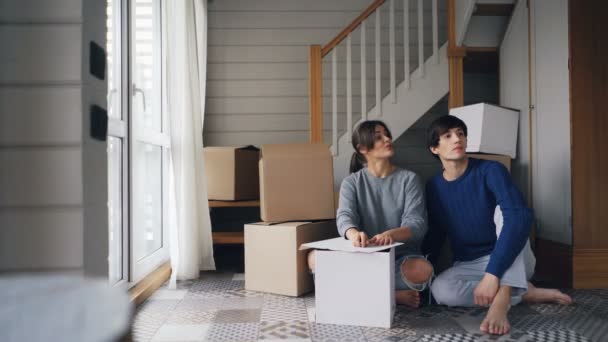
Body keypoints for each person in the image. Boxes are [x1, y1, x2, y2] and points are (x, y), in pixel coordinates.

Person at [423, 115, 573, 335]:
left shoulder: (491, 170)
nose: (457, 139)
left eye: (461, 133)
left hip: (514, 256)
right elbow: (436, 231)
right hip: (471, 263)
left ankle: (503, 297)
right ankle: (523, 292)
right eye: (448, 135)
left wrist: (493, 274)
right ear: (434, 148)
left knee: (508, 212)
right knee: (441, 291)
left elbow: (520, 218)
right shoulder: (434, 186)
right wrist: (422, 268)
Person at [307, 120, 434, 308]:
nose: (387, 139)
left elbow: (417, 224)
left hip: (399, 258)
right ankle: (390, 296)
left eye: (387, 134)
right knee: (313, 258)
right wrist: (353, 234)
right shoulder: (351, 182)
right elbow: (345, 217)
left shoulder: (409, 179)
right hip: (361, 256)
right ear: (363, 148)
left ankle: (356, 291)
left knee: (423, 270)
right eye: (378, 137)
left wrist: (391, 235)